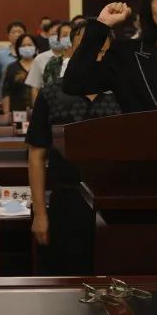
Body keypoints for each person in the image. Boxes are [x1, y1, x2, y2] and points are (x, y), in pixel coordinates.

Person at [27, 20, 119, 275]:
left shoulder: (124, 91)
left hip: (114, 203)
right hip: (67, 200)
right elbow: (36, 155)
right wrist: (40, 214)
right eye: (85, 50)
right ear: (71, 51)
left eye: (101, 51)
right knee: (68, 276)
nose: (94, 57)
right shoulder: (51, 93)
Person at [25, 21, 65, 98]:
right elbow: (35, 88)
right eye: (53, 34)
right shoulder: (40, 59)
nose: (56, 37)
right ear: (47, 36)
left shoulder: (74, 57)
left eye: (59, 34)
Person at [2, 33, 38, 113]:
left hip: (38, 112)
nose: (27, 48)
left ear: (35, 47)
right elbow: (6, 92)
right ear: (18, 48)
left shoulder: (41, 65)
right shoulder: (11, 67)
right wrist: (6, 113)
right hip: (17, 112)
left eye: (29, 45)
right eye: (23, 45)